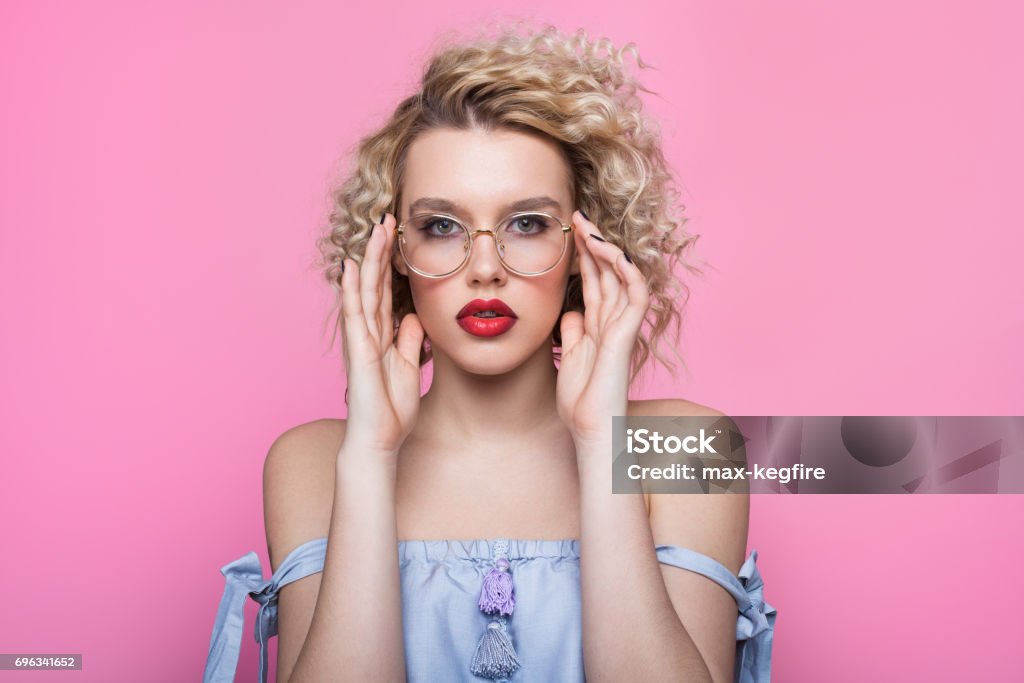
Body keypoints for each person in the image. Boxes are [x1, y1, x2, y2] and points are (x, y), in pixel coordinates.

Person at [203, 23, 775, 683]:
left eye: (526, 224)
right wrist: (370, 454)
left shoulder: (693, 446)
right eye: (441, 226)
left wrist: (601, 442)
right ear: (393, 252)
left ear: (586, 246)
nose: (484, 268)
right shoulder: (313, 461)